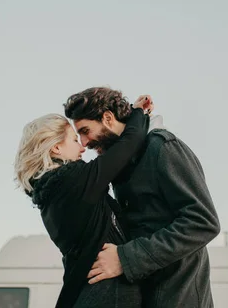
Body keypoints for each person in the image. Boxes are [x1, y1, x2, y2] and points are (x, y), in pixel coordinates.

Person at [64, 87, 220, 308]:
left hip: (178, 296)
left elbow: (203, 223)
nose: (84, 142)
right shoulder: (124, 162)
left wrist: (125, 258)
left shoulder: (163, 147)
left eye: (85, 130)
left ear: (108, 118)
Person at [14, 95, 153, 308]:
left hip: (89, 293)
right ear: (56, 148)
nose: (82, 147)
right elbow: (129, 144)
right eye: (73, 139)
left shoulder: (51, 195)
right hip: (110, 294)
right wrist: (137, 112)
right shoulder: (72, 180)